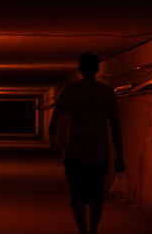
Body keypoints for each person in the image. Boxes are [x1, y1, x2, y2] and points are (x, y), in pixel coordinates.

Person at [49, 52, 125, 234]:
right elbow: (115, 127)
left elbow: (54, 120)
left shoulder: (69, 91)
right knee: (97, 196)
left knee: (77, 197)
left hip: (74, 153)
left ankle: (83, 231)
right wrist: (120, 155)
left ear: (80, 69)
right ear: (98, 68)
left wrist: (55, 143)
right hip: (98, 153)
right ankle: (93, 231)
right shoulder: (106, 93)